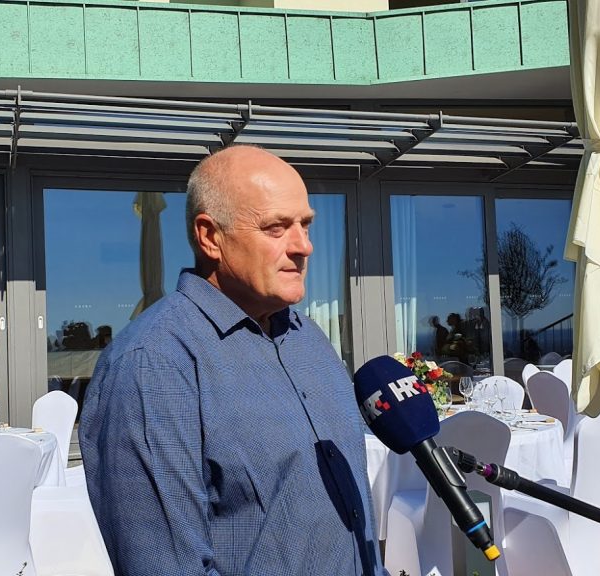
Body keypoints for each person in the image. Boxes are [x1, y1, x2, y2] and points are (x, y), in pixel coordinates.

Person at [80, 145, 386, 576]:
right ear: (210, 237)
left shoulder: (308, 338)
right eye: (276, 227)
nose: (304, 246)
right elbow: (166, 566)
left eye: (305, 225)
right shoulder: (154, 363)